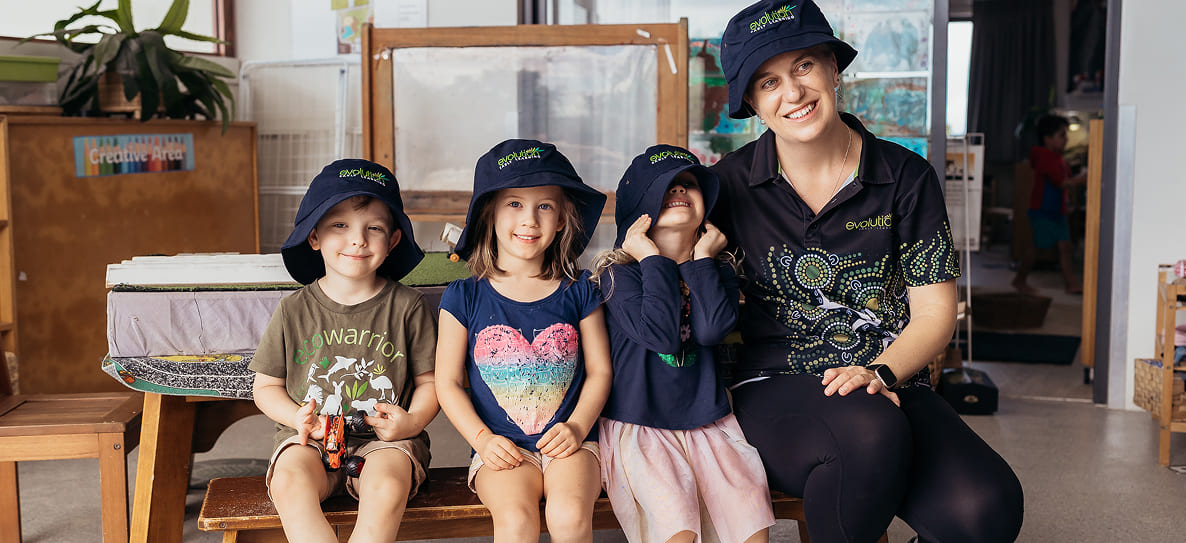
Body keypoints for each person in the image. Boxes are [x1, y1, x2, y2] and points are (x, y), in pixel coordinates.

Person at [711, 1, 1025, 542]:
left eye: (805, 66)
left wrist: (880, 373)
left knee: (985, 508)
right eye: (768, 82)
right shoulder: (725, 187)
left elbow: (933, 311)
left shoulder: (905, 176)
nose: (793, 93)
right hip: (774, 386)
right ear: (751, 102)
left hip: (891, 377)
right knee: (868, 428)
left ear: (834, 69)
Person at [591, 144, 775, 543]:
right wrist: (652, 260)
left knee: (751, 527)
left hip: (708, 423)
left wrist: (702, 261)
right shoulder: (617, 278)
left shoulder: (716, 270)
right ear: (636, 218)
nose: (678, 191)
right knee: (678, 529)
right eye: (663, 188)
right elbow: (660, 334)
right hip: (640, 427)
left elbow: (711, 331)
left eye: (688, 184)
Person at [250, 159, 439, 543]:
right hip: (310, 439)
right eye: (341, 226)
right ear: (315, 236)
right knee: (288, 482)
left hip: (387, 441)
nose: (358, 239)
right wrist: (297, 418)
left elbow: (432, 381)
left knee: (387, 485)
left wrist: (413, 421)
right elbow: (266, 386)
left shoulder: (408, 307)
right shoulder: (294, 310)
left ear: (394, 240)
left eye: (374, 228)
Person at [435, 139, 613, 543]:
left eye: (545, 206)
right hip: (500, 448)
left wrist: (577, 426)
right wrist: (482, 439)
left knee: (569, 516)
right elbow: (446, 383)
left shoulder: (579, 290)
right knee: (515, 523)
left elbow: (601, 370)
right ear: (489, 215)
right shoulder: (464, 296)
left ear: (564, 218)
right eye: (514, 204)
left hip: (571, 442)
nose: (530, 219)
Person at [1012, 113, 1086, 295]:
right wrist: (1085, 179)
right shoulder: (1046, 158)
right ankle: (1020, 279)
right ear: (1047, 139)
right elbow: (1062, 182)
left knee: (1065, 247)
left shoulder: (1057, 158)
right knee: (1036, 248)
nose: (1066, 139)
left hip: (1056, 211)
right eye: (1062, 135)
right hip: (1043, 211)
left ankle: (1071, 284)